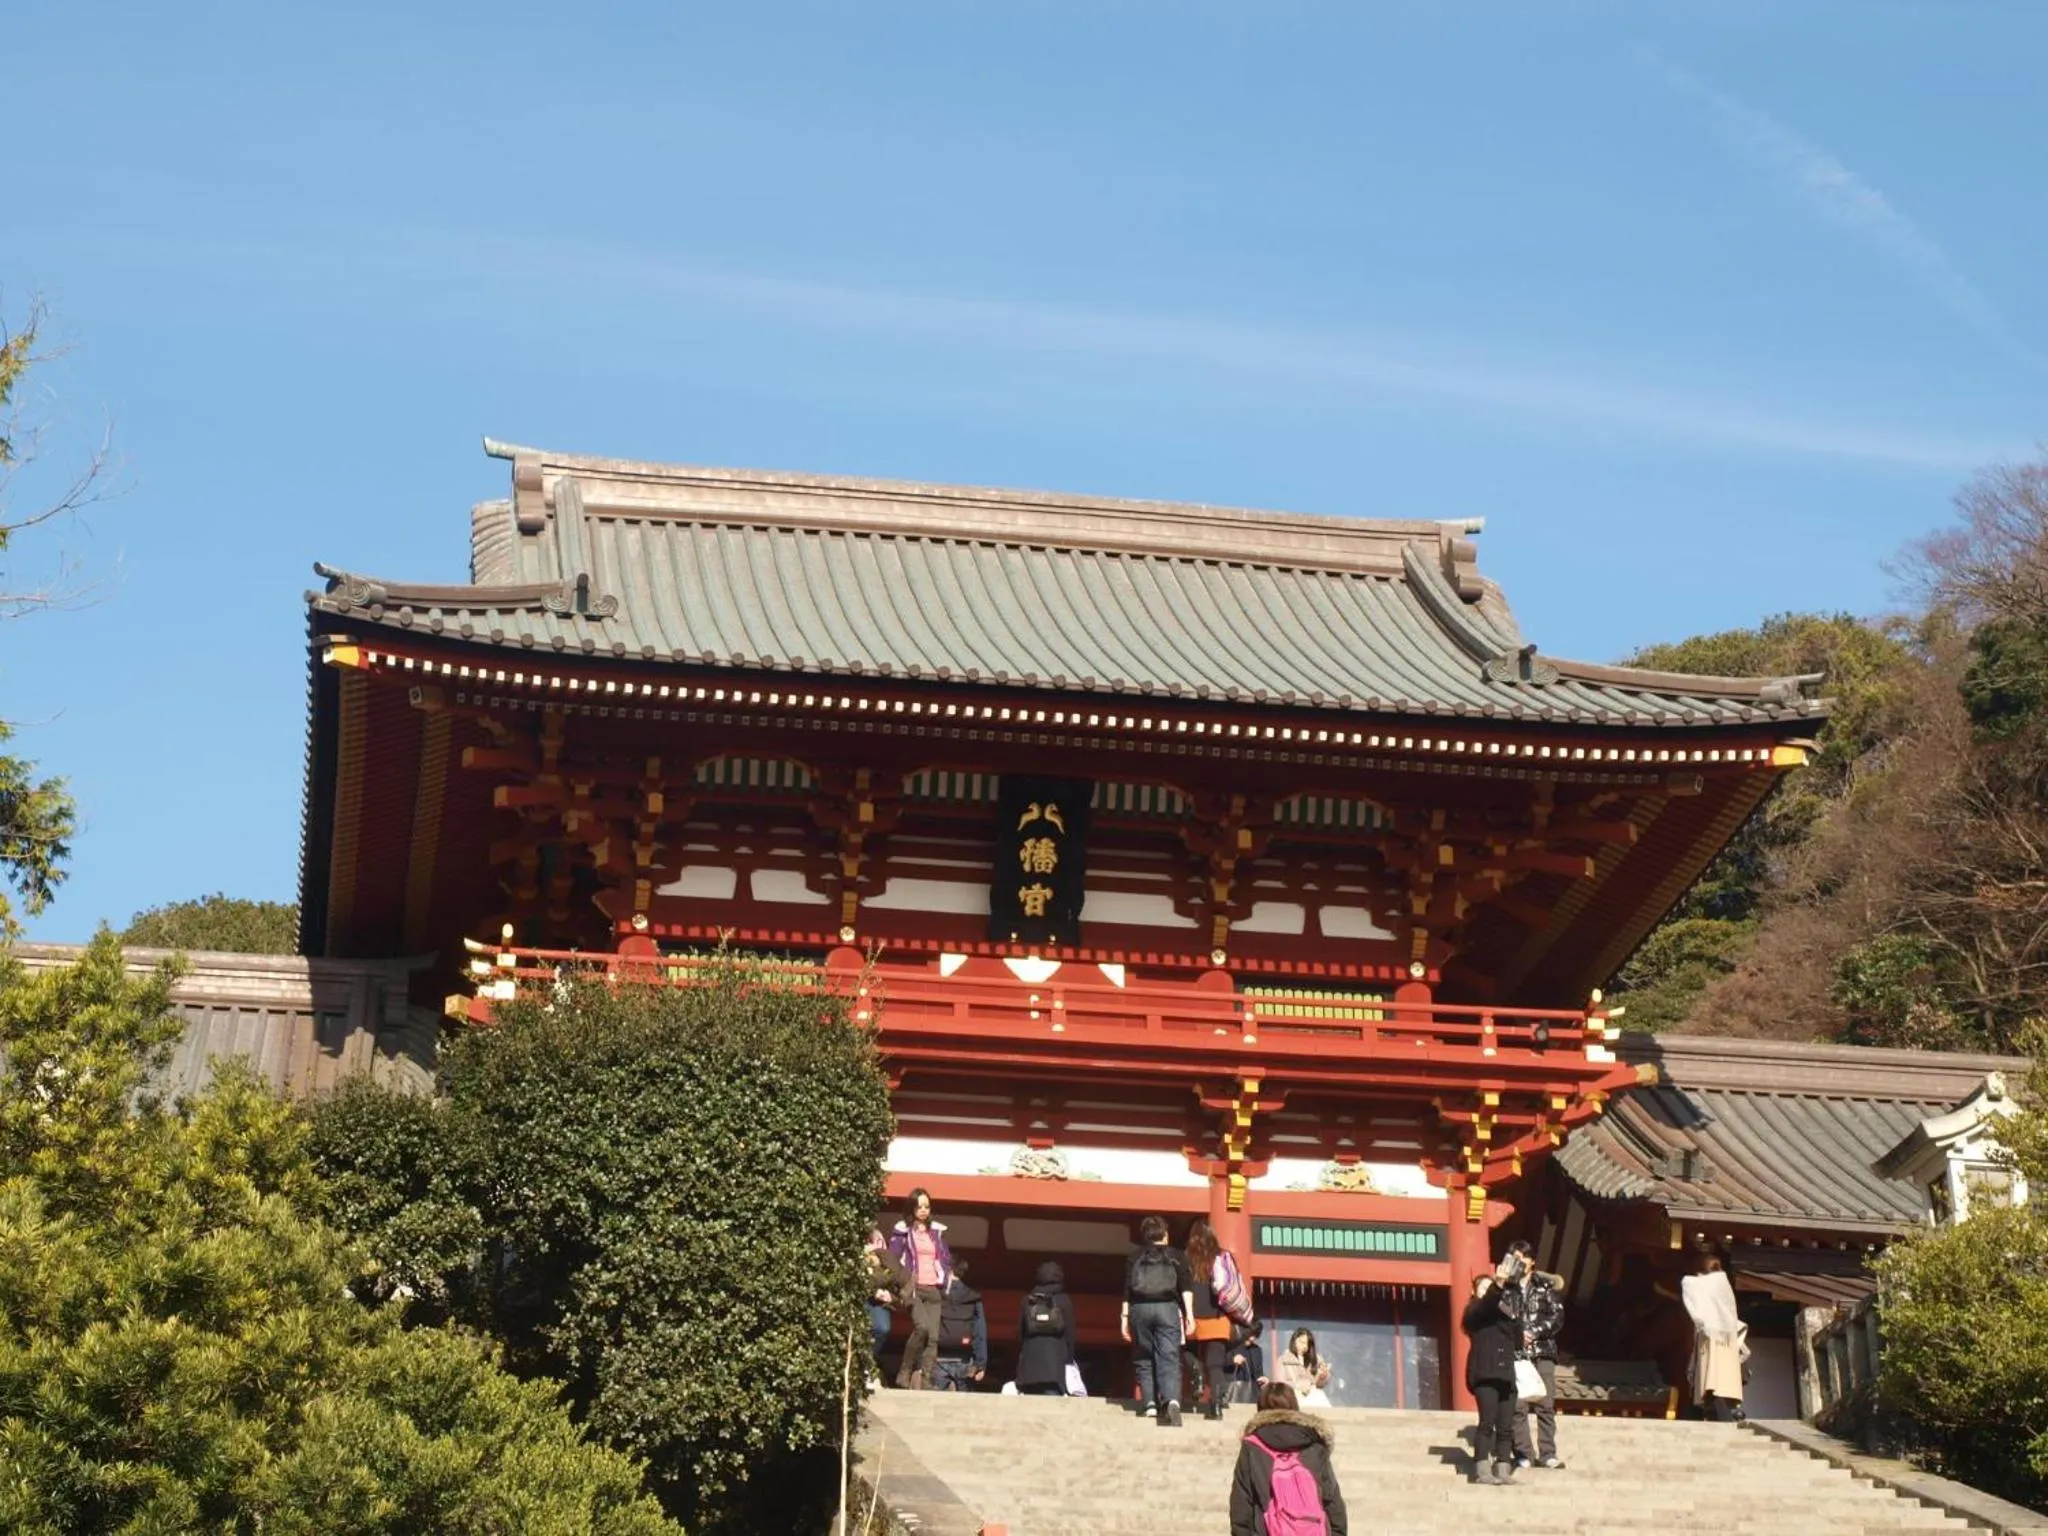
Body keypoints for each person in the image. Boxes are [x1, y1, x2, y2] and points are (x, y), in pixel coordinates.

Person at [1228, 1381, 1349, 1536]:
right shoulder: (1314, 1444)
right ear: (1294, 1405)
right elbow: (1332, 1501)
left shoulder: (1253, 1446)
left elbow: (1241, 1503)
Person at [1121, 1213, 1196, 1425]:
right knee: (1169, 1355)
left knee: (1144, 1356)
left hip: (1139, 1309)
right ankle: (1172, 1400)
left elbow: (1127, 1290)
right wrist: (1190, 1315)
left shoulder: (1135, 1256)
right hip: (1167, 1308)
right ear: (1165, 1234)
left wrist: (1124, 1318)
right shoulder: (1176, 1255)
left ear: (1145, 1235)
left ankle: (1150, 1404)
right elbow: (1186, 1287)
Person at [1184, 1216, 1256, 1419]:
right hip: (1218, 1316)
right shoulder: (1222, 1256)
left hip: (1193, 1316)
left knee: (1185, 1349)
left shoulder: (1186, 1258)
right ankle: (1216, 1407)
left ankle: (1196, 1370)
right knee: (1215, 1364)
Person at [1504, 1240, 1566, 1470]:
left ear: (1532, 1261)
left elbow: (1557, 1316)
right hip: (1516, 1351)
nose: (1518, 1263)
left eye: (1522, 1258)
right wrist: (1517, 1333)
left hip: (1543, 1350)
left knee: (1545, 1403)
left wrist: (1535, 1331)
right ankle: (1523, 1453)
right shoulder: (1506, 1289)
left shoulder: (1545, 1287)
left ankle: (1548, 1453)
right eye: (1514, 1258)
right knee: (1517, 1405)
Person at [1463, 1260, 1523, 1485]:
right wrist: (1497, 1286)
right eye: (1485, 1288)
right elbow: (1485, 1306)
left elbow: (1518, 1340)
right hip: (1485, 1374)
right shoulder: (1473, 1313)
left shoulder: (1503, 1315)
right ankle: (1482, 1469)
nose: (1489, 1291)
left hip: (1506, 1376)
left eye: (1492, 1288)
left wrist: (1512, 1310)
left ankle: (1503, 1469)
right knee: (1487, 1422)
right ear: (1475, 1292)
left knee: (1506, 1427)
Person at [888, 1188, 954, 1390]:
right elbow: (892, 1259)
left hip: (933, 1288)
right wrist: (898, 1283)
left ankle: (926, 1379)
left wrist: (945, 1274)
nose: (924, 1210)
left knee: (933, 1338)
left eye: (927, 1206)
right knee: (922, 1328)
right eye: (919, 1206)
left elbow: (944, 1257)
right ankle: (905, 1370)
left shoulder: (936, 1233)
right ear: (912, 1208)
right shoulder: (903, 1231)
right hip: (913, 1288)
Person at [1681, 1254, 1749, 1422]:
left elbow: (1695, 1307)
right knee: (1724, 1380)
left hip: (1709, 1334)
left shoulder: (1695, 1283)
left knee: (1709, 1379)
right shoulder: (1724, 1283)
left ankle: (1714, 1412)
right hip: (1727, 1335)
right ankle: (1724, 1411)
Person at [1016, 1259, 1078, 1396]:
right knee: (1053, 1403)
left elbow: (1020, 1332)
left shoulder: (1027, 1300)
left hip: (1030, 1365)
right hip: (1055, 1365)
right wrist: (1069, 1357)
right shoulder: (1063, 1300)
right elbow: (1070, 1333)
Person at [931, 1260, 988, 1390]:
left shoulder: (936, 1294)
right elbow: (980, 1332)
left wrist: (920, 1361)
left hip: (938, 1358)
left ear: (949, 1270)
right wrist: (981, 1364)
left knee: (936, 1400)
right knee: (964, 1401)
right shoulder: (973, 1297)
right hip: (964, 1359)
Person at [863, 1226, 908, 1372]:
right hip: (864, 1299)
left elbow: (898, 1285)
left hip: (880, 1303)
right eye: (872, 1242)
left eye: (880, 1242)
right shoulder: (863, 1259)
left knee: (882, 1328)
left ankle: (867, 1363)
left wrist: (891, 1298)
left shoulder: (890, 1259)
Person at [1273, 1328, 1332, 1408]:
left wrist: (1323, 1377)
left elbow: (1320, 1385)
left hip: (1313, 1396)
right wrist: (1298, 1385)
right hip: (1291, 1397)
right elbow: (1279, 1383)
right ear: (1294, 1341)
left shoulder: (1316, 1359)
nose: (1304, 1346)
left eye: (1307, 1344)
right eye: (1301, 1342)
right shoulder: (1284, 1360)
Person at [1227, 1319, 1268, 1406]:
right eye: (1251, 1334)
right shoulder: (1230, 1346)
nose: (1252, 1338)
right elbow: (1217, 1365)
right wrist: (1232, 1360)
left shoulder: (1256, 1350)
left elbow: (1258, 1372)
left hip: (1251, 1395)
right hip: (1232, 1392)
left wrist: (1263, 1379)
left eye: (1256, 1335)